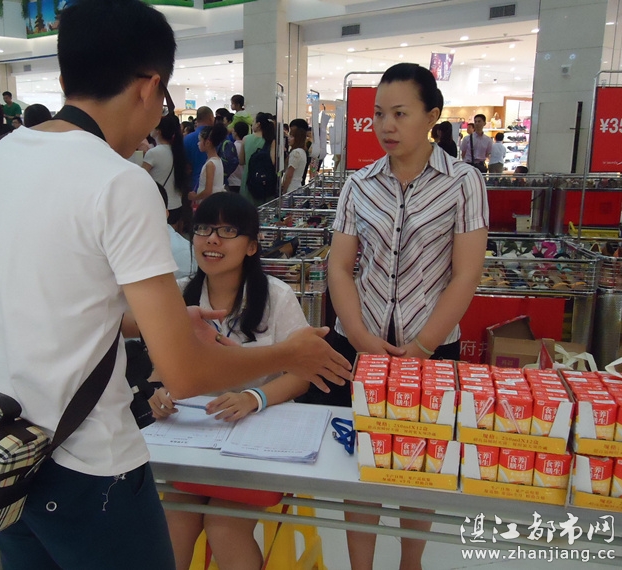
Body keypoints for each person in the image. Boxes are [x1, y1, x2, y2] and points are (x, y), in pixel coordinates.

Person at [0, 1, 351, 568]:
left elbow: (39, 302)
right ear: (150, 86)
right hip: (88, 467)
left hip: (3, 455)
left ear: (67, 76)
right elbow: (185, 372)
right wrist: (290, 354)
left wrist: (147, 322)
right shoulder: (119, 182)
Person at [301, 62, 487, 570]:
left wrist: (424, 346)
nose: (386, 125)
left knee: (419, 463)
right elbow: (340, 267)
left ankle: (411, 562)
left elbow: (466, 274)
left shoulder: (464, 183)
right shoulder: (358, 184)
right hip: (359, 345)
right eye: (379, 113)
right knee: (361, 462)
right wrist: (359, 335)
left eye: (400, 113)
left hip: (430, 348)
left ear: (432, 115)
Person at [149, 192, 312, 570]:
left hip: (259, 435)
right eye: (204, 229)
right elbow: (161, 367)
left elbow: (302, 374)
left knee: (224, 527)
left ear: (252, 245)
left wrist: (254, 397)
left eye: (227, 231)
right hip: (197, 436)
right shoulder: (180, 294)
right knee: (174, 523)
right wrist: (159, 392)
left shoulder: (277, 296)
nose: (212, 239)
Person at [143, 114, 188, 230]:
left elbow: (141, 177)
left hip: (159, 204)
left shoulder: (153, 153)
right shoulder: (178, 151)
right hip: (176, 204)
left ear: (159, 131)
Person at [239, 112, 276, 205]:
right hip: (264, 183)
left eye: (253, 122)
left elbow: (241, 161)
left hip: (248, 181)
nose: (252, 124)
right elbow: (273, 162)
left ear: (258, 124)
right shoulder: (271, 141)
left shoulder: (246, 139)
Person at [188, 124, 227, 202]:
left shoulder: (210, 164)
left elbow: (208, 191)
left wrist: (194, 197)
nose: (198, 143)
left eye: (200, 141)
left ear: (207, 143)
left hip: (209, 203)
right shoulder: (218, 160)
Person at [184, 106, 214, 191]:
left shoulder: (187, 139)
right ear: (211, 118)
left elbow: (184, 163)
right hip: (215, 184)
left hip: (193, 184)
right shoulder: (218, 137)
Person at [282, 123, 307, 193]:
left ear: (298, 139)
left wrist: (284, 190)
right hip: (297, 187)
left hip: (291, 189)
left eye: (292, 136)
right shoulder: (302, 152)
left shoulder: (296, 153)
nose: (288, 138)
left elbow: (289, 175)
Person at [226, 121, 247, 193]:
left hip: (232, 181)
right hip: (244, 181)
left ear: (236, 133)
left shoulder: (232, 147)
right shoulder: (247, 146)